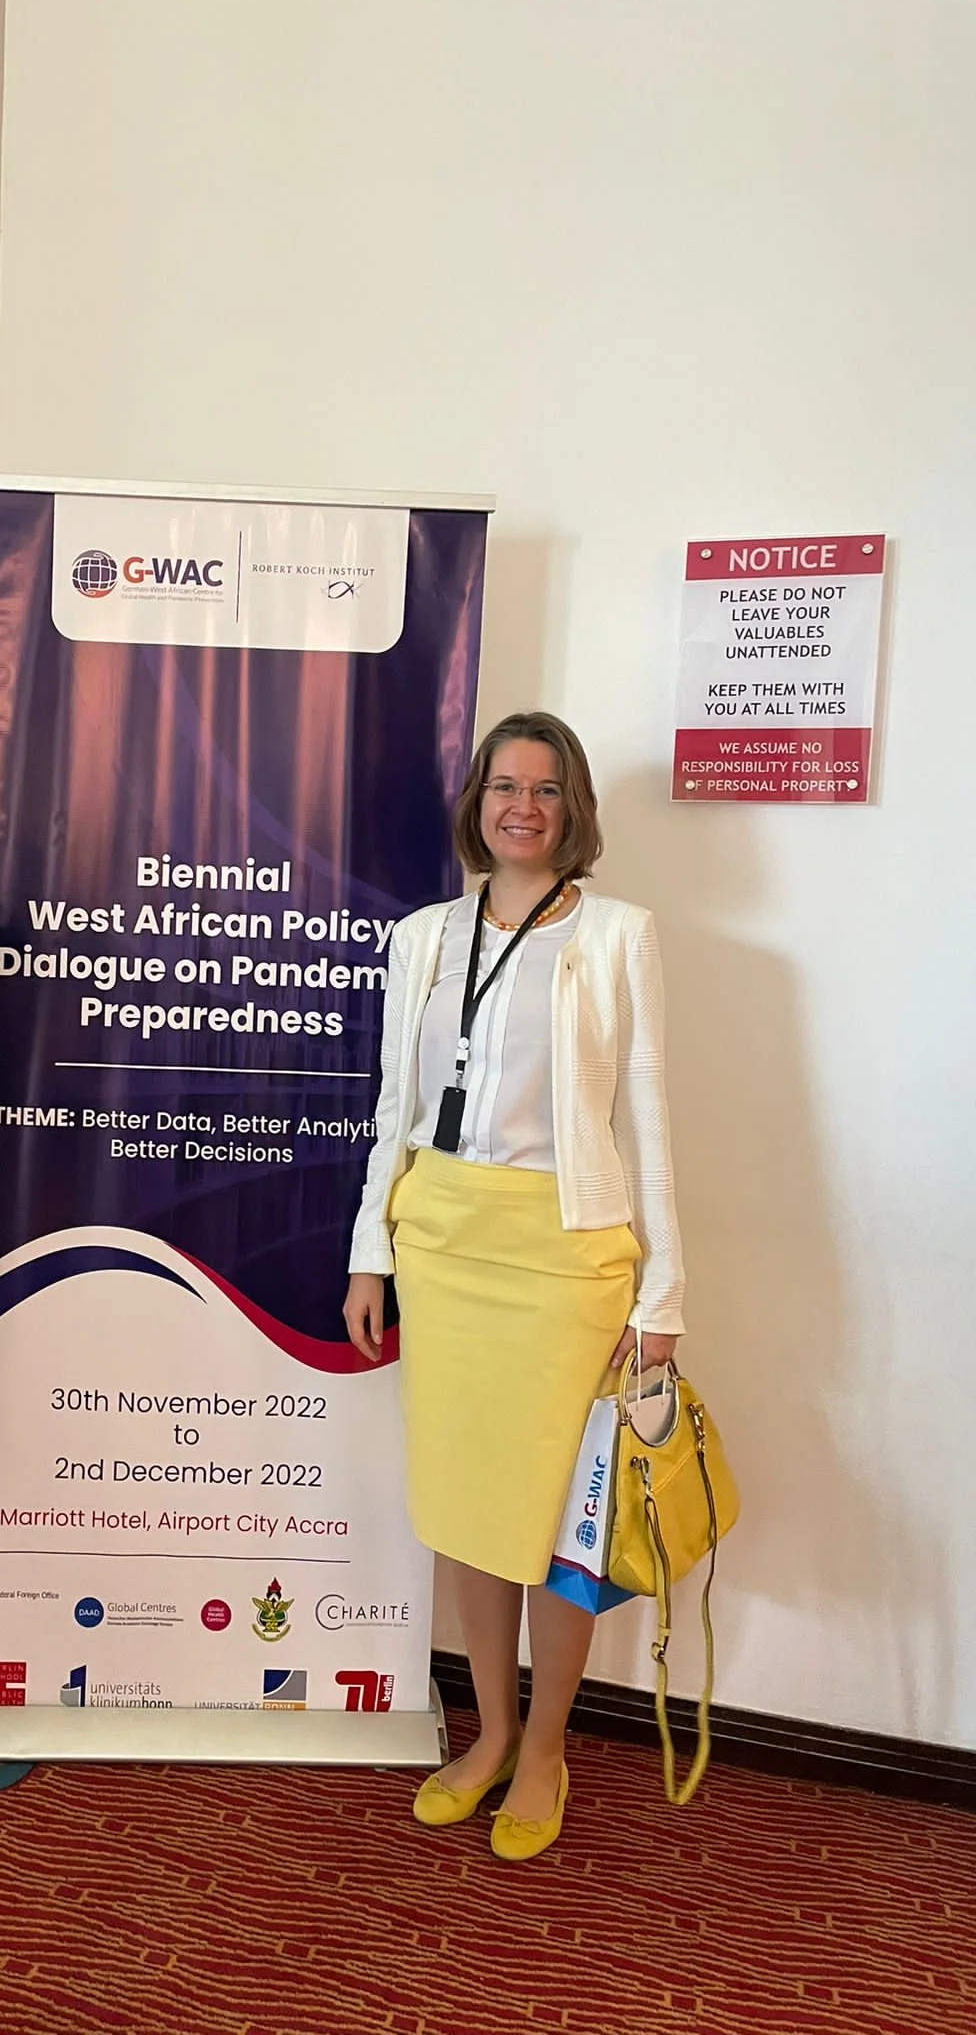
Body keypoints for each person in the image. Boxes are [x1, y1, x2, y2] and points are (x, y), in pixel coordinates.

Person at [343, 712, 684, 1862]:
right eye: (504, 785)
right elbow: (394, 1108)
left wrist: (664, 1295)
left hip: (566, 1251)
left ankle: (545, 1746)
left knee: (556, 1517)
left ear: (571, 806)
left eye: (544, 788)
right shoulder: (423, 937)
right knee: (469, 1509)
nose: (522, 806)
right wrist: (372, 1250)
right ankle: (489, 1731)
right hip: (444, 1240)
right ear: (477, 801)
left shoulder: (619, 933)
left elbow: (648, 1119)